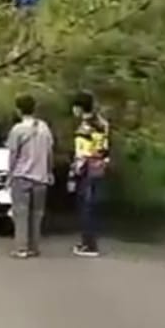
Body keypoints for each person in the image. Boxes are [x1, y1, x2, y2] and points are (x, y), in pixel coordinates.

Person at [6, 94, 55, 259]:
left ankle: (21, 247)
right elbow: (49, 152)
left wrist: (10, 174)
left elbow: (13, 154)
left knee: (20, 213)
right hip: (41, 177)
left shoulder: (18, 129)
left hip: (22, 175)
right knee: (37, 214)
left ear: (19, 110)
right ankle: (34, 247)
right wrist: (49, 171)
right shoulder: (44, 128)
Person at [69, 91, 110, 257]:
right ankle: (89, 242)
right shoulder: (102, 123)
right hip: (99, 167)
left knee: (86, 207)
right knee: (92, 206)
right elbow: (104, 148)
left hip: (86, 169)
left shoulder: (85, 128)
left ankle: (89, 244)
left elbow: (82, 154)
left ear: (79, 108)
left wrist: (73, 174)